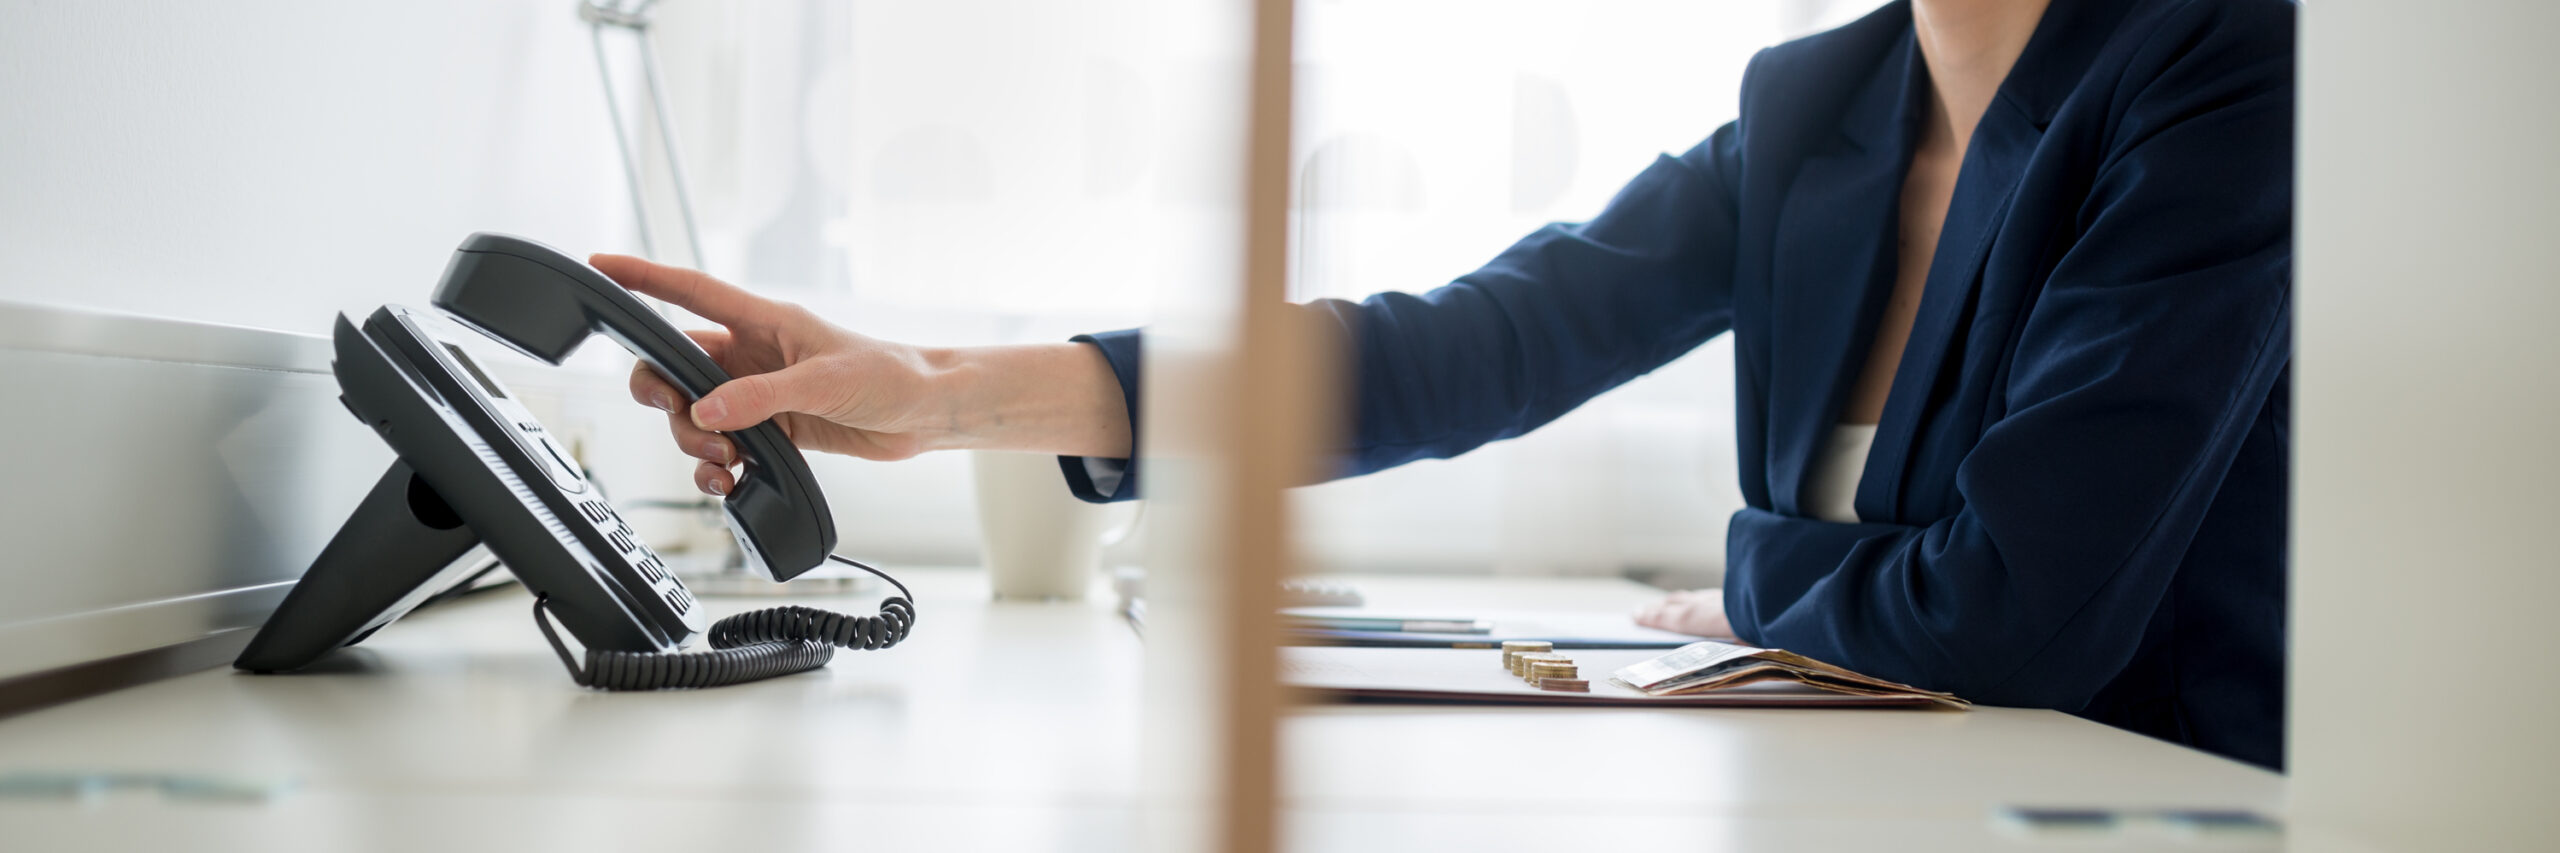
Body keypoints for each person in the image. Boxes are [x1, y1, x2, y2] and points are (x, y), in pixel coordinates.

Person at [604, 0, 2294, 771]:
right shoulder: (1817, 102)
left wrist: (1751, 576)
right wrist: (939, 391)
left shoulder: (2226, 69)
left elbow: (2015, 613)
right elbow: (1461, 342)